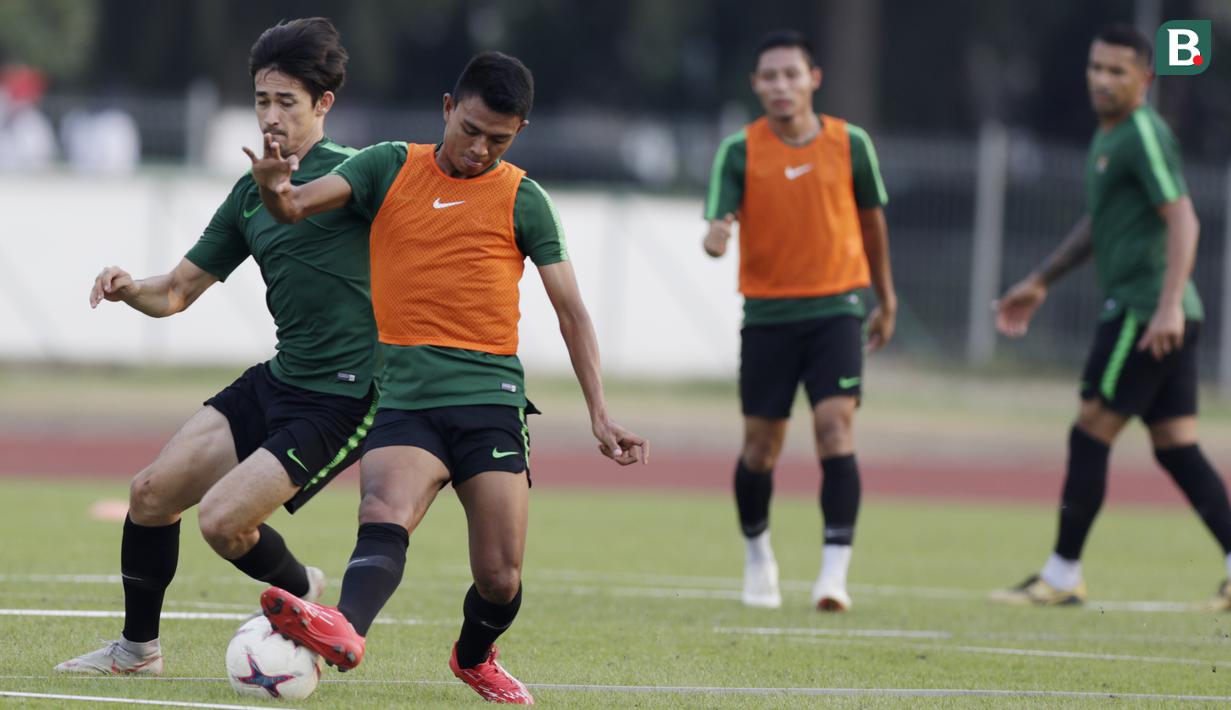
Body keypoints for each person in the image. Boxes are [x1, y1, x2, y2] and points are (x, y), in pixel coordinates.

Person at [244, 51, 647, 704]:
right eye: (471, 130)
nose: (480, 149)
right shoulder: (386, 165)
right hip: (406, 399)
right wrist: (269, 185)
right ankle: (344, 626)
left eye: (499, 139)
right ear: (447, 108)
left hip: (491, 403)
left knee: (500, 578)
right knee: (383, 510)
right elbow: (290, 207)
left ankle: (474, 656)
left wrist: (599, 413)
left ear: (519, 133)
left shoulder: (524, 198)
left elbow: (571, 312)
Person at [56, 18, 378, 675]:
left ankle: (302, 594)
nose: (271, 116)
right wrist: (129, 288)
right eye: (262, 100)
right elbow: (176, 292)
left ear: (323, 103)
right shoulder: (247, 195)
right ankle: (136, 652)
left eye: (286, 101)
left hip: (344, 396)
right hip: (281, 378)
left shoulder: (359, 177)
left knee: (223, 523)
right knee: (151, 494)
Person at [992, 25, 1231, 608]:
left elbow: (1184, 218)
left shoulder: (1142, 133)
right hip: (1162, 311)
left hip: (1144, 312)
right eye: (1096, 67)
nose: (1102, 79)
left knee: (1090, 430)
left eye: (1117, 71)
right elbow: (1099, 225)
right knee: (1175, 446)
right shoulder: (1110, 136)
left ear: (1145, 78)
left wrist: (1167, 307)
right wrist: (1041, 280)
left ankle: (1061, 575)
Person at [702, 29, 896, 612]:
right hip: (768, 316)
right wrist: (717, 234)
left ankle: (833, 575)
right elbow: (717, 224)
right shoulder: (739, 151)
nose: (781, 85)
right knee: (760, 449)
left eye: (792, 74)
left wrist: (886, 298)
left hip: (837, 309)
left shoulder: (850, 143)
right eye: (770, 76)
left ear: (814, 79)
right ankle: (758, 555)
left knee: (835, 428)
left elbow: (873, 224)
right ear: (756, 85)